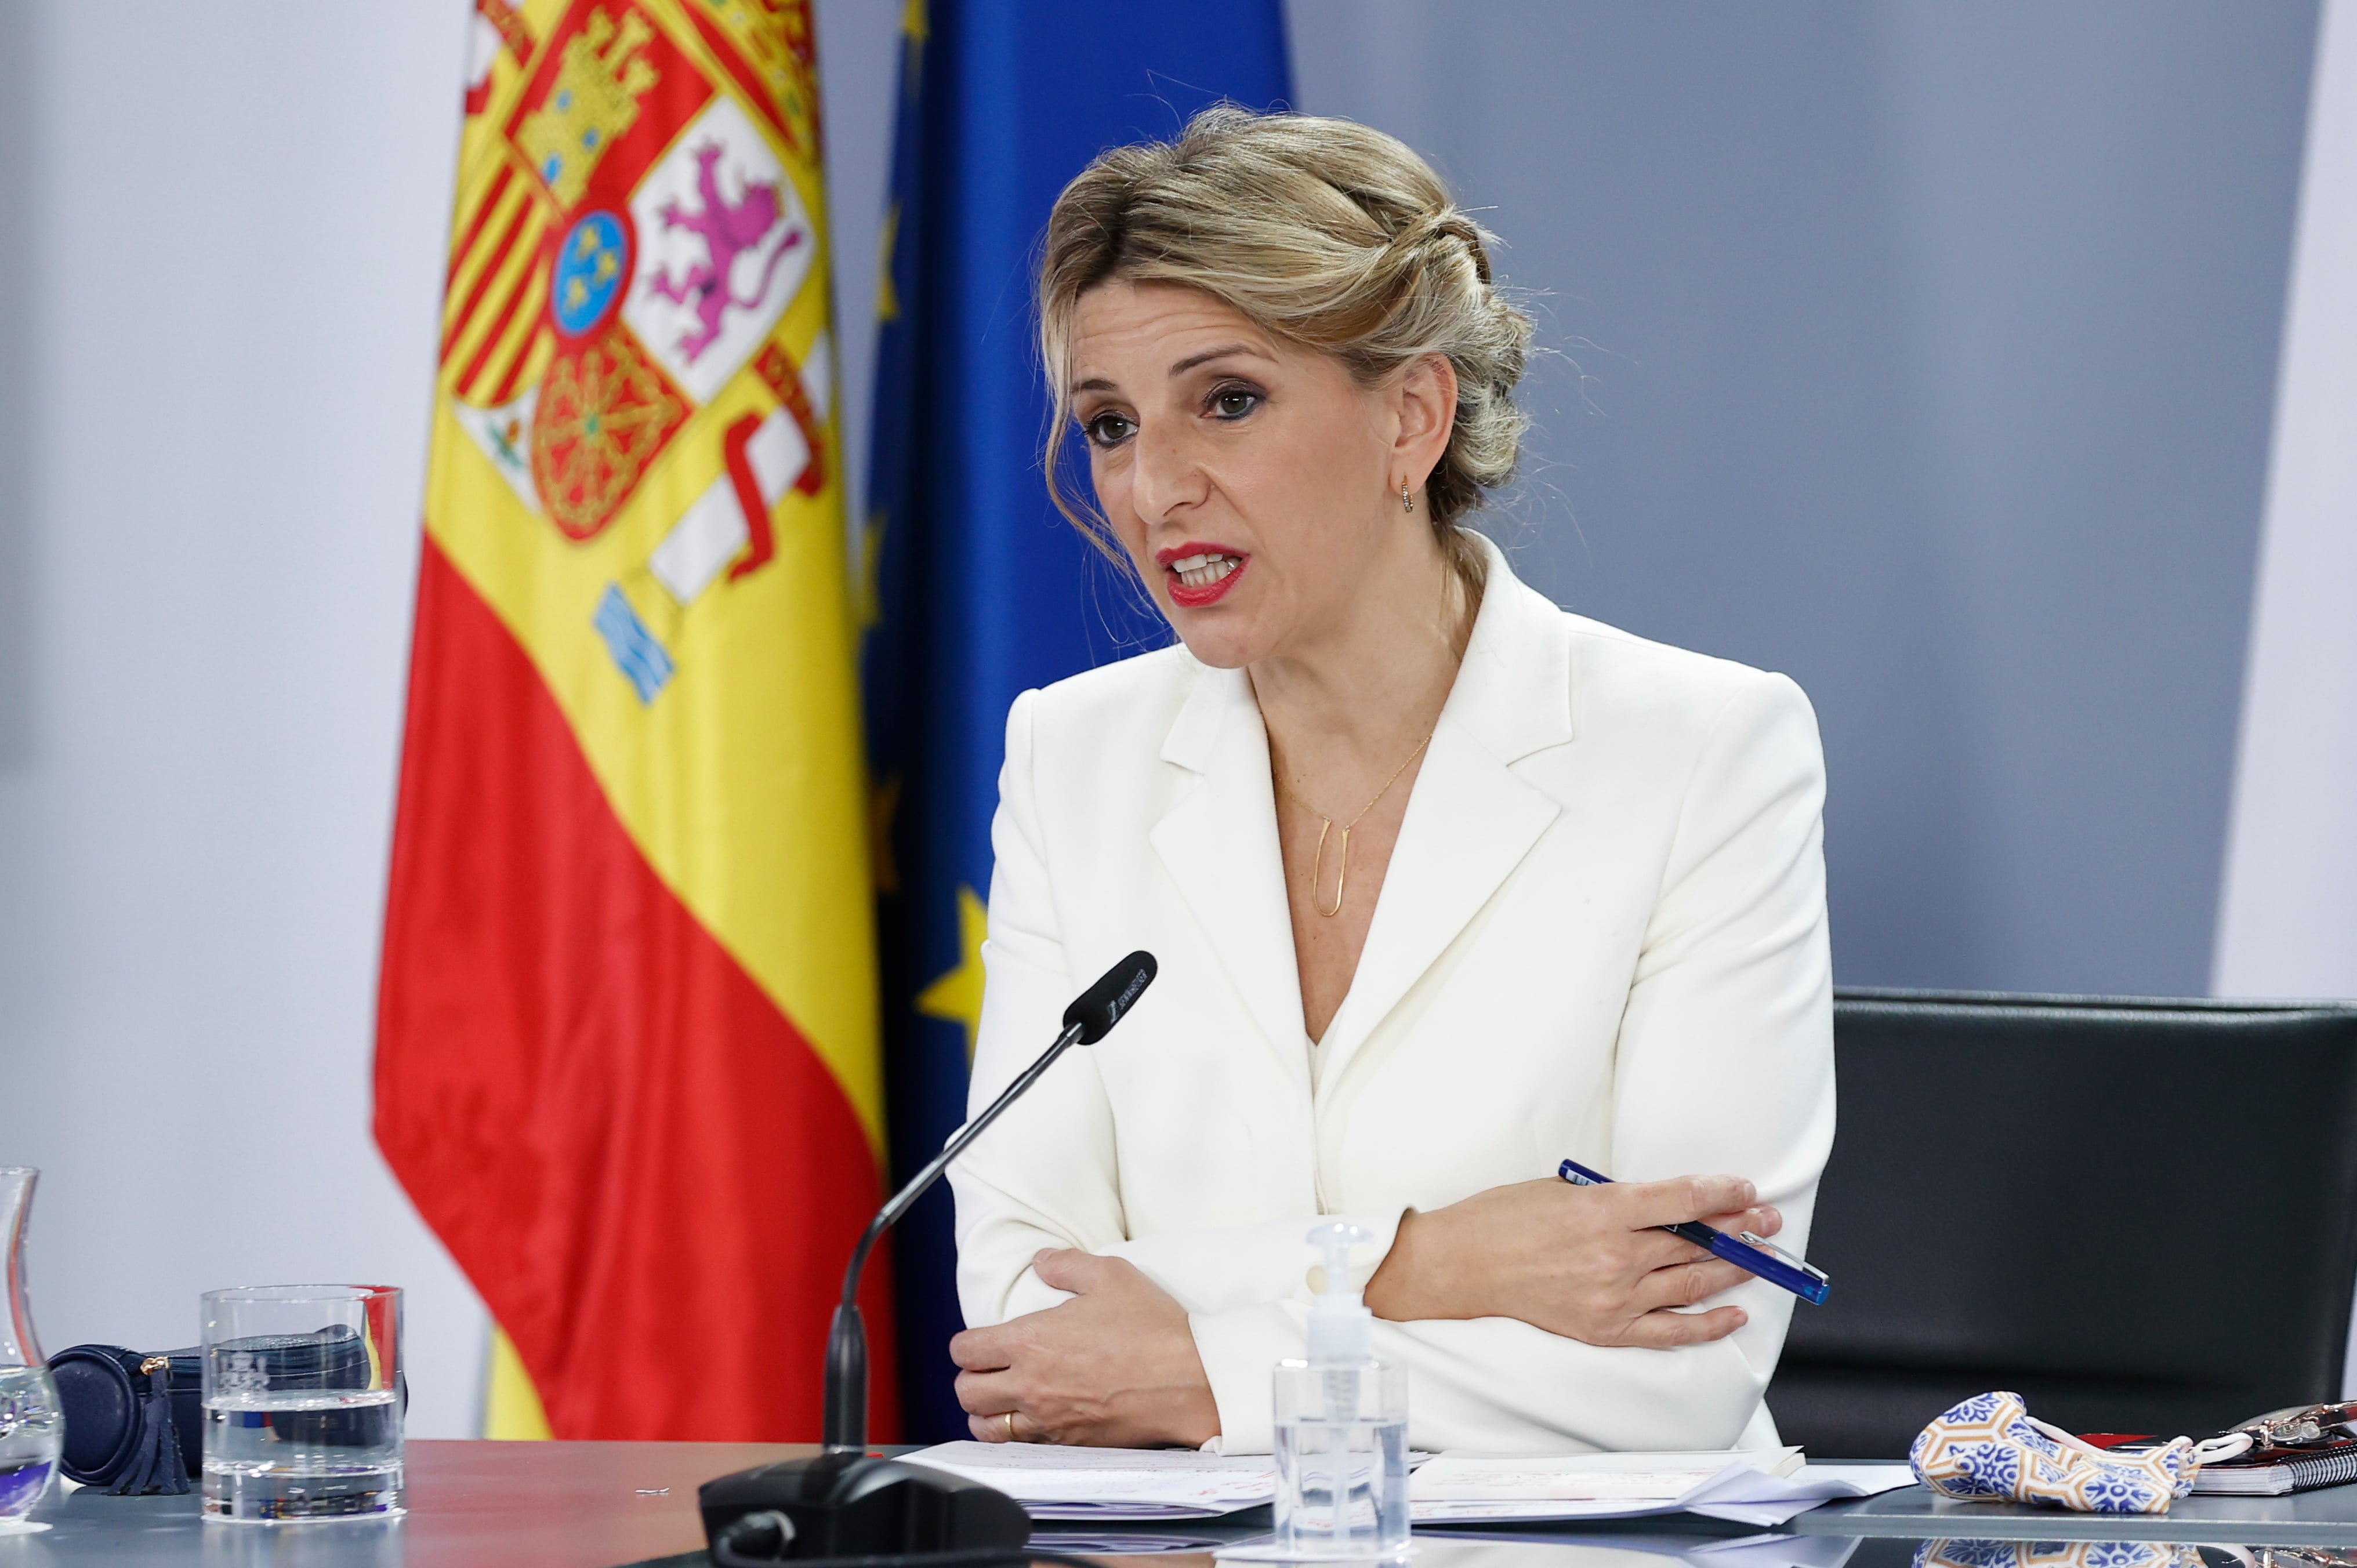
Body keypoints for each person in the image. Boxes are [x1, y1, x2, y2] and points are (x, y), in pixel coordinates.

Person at [943, 107, 1834, 1457]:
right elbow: (1027, 1322)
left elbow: (1685, 1367)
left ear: (1411, 415)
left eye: (1226, 401)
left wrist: (1212, 1373)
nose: (1153, 485)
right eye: (1111, 424)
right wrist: (1432, 1263)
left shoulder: (1703, 749)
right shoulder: (1075, 758)